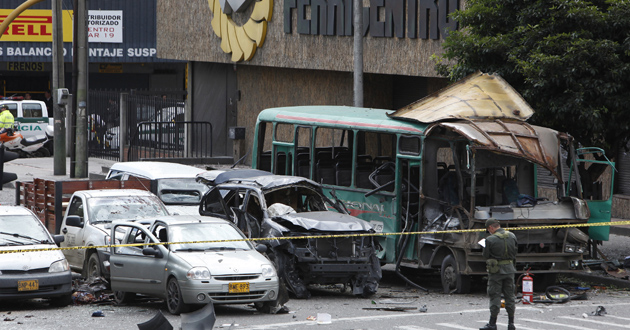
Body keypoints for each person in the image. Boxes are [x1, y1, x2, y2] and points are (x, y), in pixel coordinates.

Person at [480, 218, 518, 330]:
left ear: (491, 227)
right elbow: (515, 252)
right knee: (510, 296)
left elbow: (486, 255)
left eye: (489, 229)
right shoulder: (512, 236)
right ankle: (511, 324)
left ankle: (492, 323)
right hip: (510, 270)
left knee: (495, 295)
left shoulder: (490, 239)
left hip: (496, 271)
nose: (489, 231)